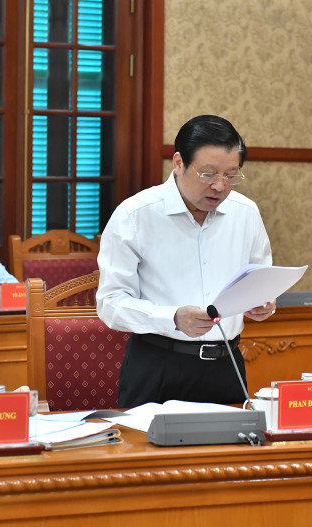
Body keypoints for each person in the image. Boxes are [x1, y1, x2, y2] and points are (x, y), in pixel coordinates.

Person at [96, 115, 276, 408]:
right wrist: (173, 318)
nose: (220, 186)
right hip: (158, 365)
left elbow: (259, 277)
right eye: (208, 174)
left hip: (226, 365)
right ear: (178, 163)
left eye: (231, 175)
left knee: (230, 452)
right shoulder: (135, 215)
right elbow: (111, 303)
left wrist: (262, 302)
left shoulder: (246, 213)